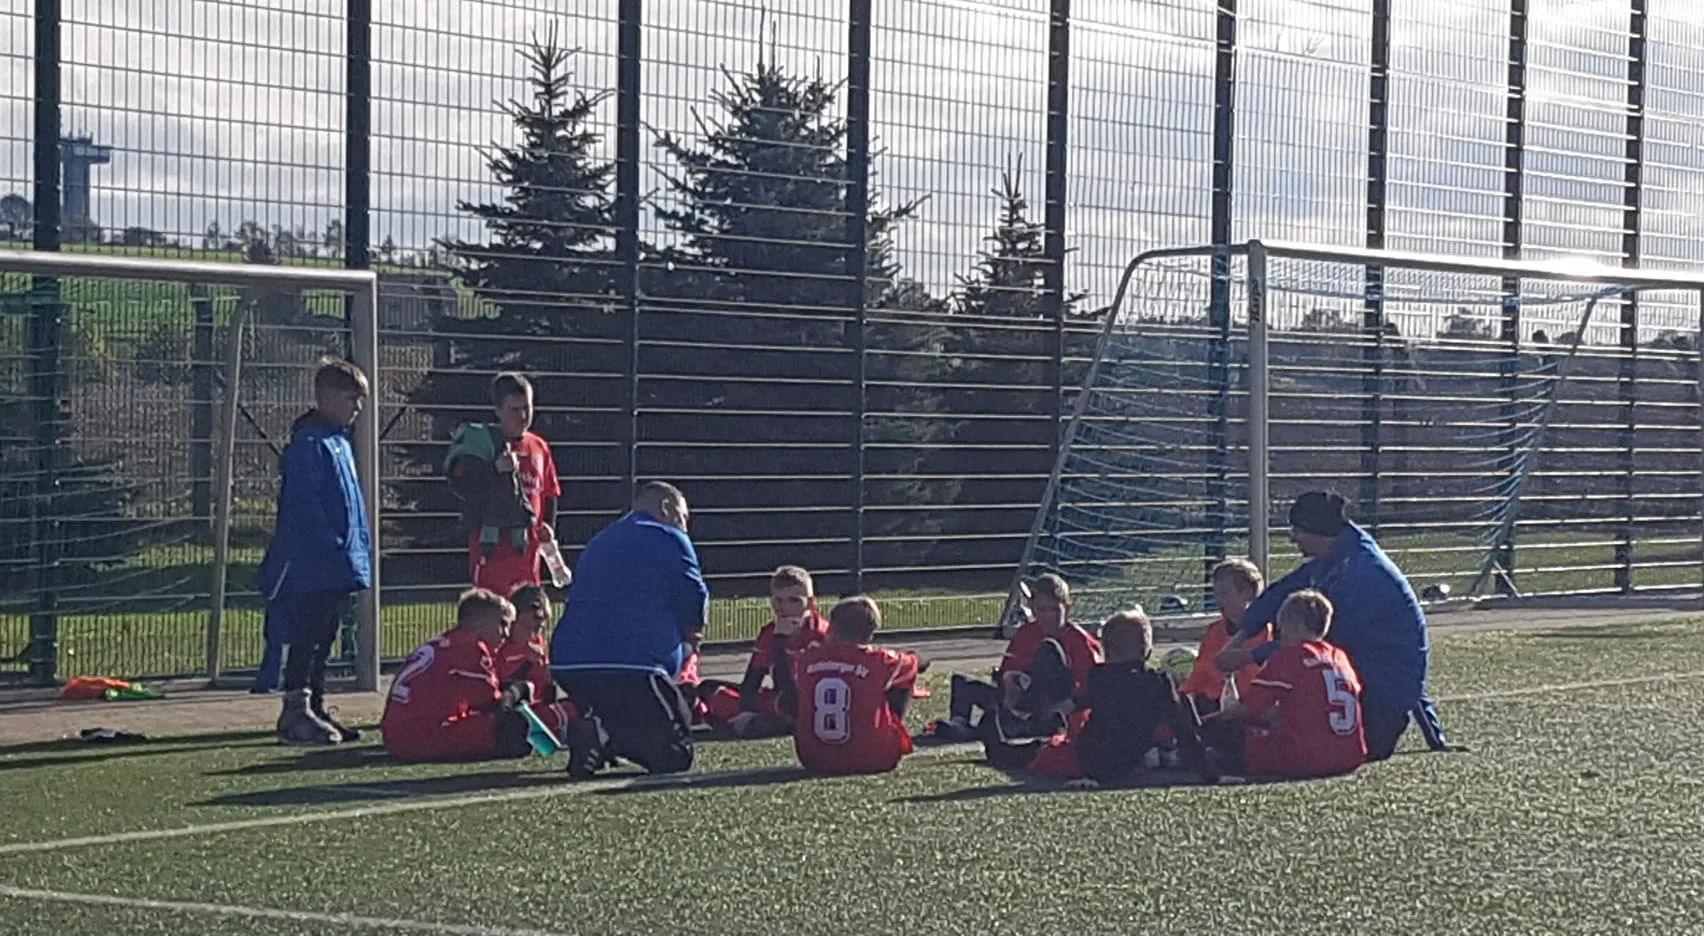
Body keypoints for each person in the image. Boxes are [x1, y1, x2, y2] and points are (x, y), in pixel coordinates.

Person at [1215, 491, 1451, 761]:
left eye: (1297, 531)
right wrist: (1242, 632)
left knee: (1266, 745)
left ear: (1318, 532)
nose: (1292, 538)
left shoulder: (1363, 573)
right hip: (1368, 693)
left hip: (1377, 707)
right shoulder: (1339, 556)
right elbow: (1280, 592)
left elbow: (1318, 647)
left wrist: (1249, 656)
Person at [551, 481, 707, 779]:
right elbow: (693, 597)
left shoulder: (600, 540)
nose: (684, 525)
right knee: (675, 754)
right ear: (666, 508)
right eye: (683, 516)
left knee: (623, 707)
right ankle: (606, 735)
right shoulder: (669, 536)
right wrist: (692, 637)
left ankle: (598, 731)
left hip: (569, 663)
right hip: (635, 665)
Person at [256, 360, 373, 746]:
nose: (357, 407)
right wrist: (329, 543)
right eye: (351, 398)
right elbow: (305, 504)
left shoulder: (339, 441)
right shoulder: (309, 444)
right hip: (315, 563)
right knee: (307, 635)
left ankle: (317, 706)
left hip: (338, 562)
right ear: (326, 397)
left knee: (326, 635)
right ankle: (295, 709)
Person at [381, 588, 575, 762]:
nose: (506, 633)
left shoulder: (444, 642)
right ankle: (568, 720)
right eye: (502, 624)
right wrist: (520, 689)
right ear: (481, 623)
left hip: (401, 732)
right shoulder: (471, 648)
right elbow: (498, 706)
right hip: (422, 735)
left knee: (509, 721)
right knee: (514, 726)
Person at [1026, 609, 1216, 786]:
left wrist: (1058, 710)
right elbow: (1182, 728)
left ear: (1107, 650)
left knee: (1047, 752)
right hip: (1128, 760)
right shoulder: (1158, 682)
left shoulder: (1099, 676)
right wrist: (1208, 773)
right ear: (1147, 650)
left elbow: (1083, 700)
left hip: (1089, 757)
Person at [1204, 589, 1366, 779]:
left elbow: (1249, 708)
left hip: (1304, 757)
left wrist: (1211, 720)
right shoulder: (1339, 656)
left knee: (1226, 731)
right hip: (1349, 755)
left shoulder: (1290, 655)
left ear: (1295, 626)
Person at [930, 573, 1102, 742]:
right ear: (1033, 608)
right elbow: (1009, 669)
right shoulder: (1026, 633)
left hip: (1059, 708)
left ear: (1068, 609)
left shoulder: (1081, 641)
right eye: (1042, 609)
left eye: (1054, 610)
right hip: (1025, 701)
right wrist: (1009, 681)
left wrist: (1066, 705)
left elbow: (1095, 689)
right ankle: (961, 724)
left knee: (1049, 650)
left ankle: (1034, 724)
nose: (1048, 616)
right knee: (963, 682)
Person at [447, 373, 562, 597]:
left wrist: (548, 525)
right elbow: (464, 486)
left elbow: (549, 492)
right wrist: (495, 470)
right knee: (494, 609)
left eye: (527, 408)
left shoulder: (539, 446)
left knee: (529, 609)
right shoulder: (484, 444)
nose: (523, 416)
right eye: (514, 410)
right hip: (493, 552)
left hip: (528, 554)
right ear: (498, 411)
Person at [792, 596, 925, 775]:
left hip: (813, 758)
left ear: (832, 627)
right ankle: (892, 732)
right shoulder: (880, 660)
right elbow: (917, 663)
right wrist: (914, 656)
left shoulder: (806, 658)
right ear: (870, 634)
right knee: (904, 678)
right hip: (874, 758)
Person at [725, 565, 830, 738]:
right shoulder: (769, 631)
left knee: (786, 705)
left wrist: (781, 641)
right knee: (712, 690)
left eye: (794, 600)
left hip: (812, 701)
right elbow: (753, 679)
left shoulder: (823, 634)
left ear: (810, 603)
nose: (784, 607)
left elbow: (790, 688)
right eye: (778, 601)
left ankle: (769, 723)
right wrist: (746, 711)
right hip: (779, 697)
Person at [1178, 558, 1271, 716]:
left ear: (1247, 593)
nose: (1219, 601)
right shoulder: (1214, 632)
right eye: (1216, 594)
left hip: (1249, 710)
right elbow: (1198, 677)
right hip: (1212, 707)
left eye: (1224, 594)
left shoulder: (1269, 633)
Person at [497, 585, 561, 707]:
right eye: (537, 616)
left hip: (542, 703)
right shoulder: (500, 645)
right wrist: (527, 662)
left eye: (544, 618)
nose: (542, 623)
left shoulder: (538, 642)